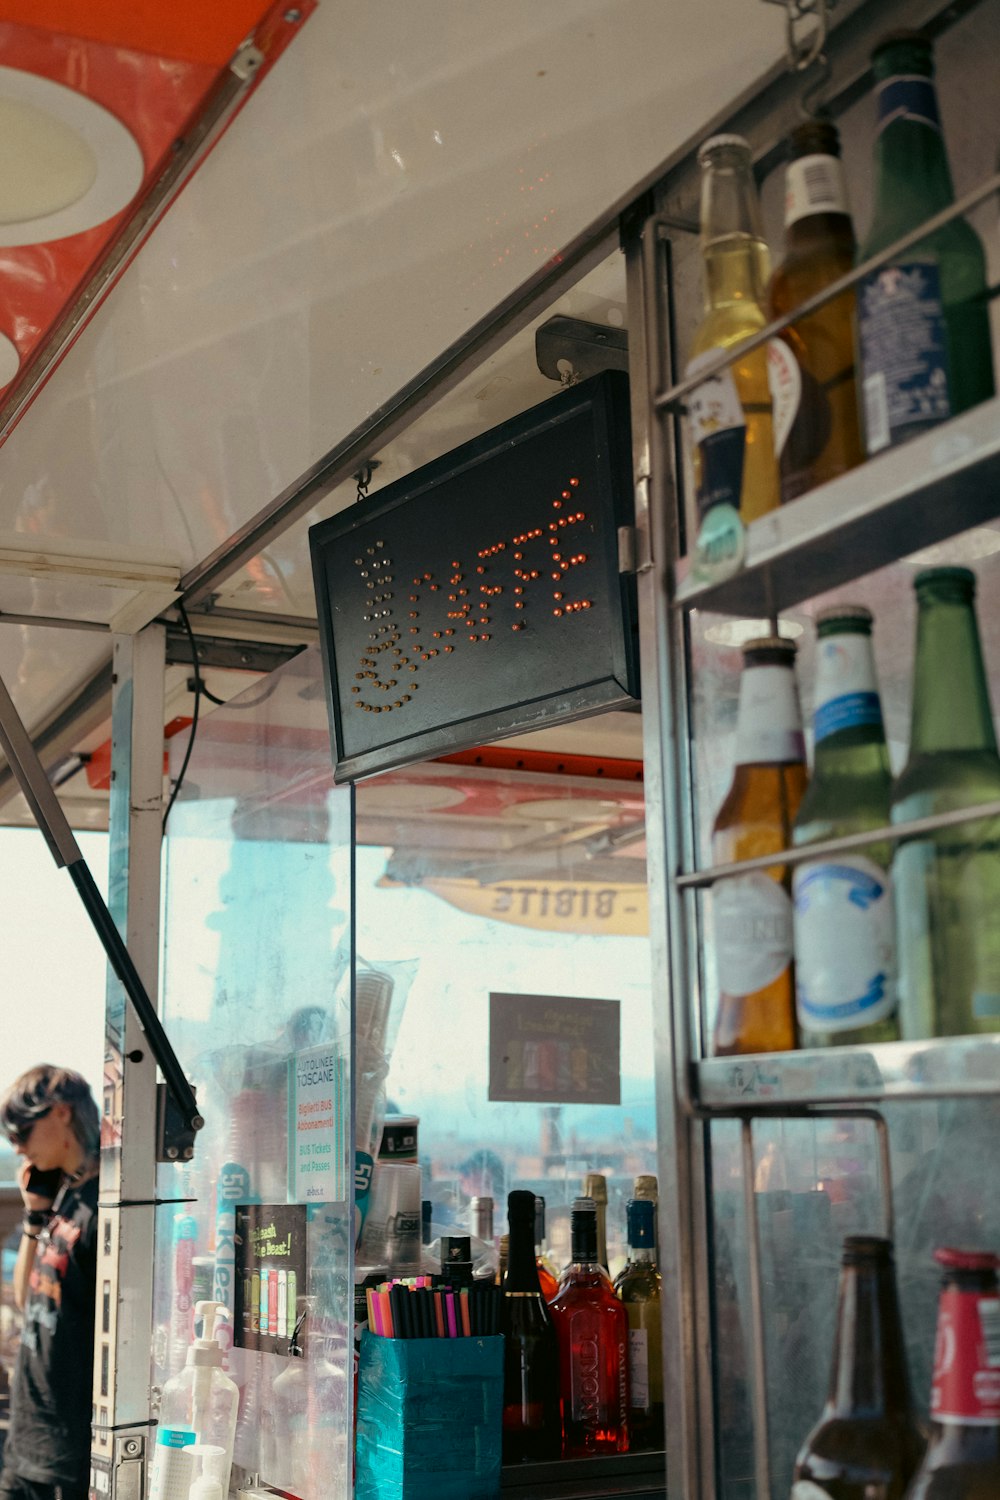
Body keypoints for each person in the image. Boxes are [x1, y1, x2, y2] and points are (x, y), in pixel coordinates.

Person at [0, 1066, 100, 1500]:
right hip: (27, 1433)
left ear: (61, 1113)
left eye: (22, 1132)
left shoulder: (106, 1207)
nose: (17, 1147)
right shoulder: (65, 1198)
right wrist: (36, 1217)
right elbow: (27, 1299)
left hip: (66, 1444)